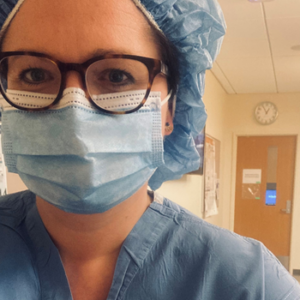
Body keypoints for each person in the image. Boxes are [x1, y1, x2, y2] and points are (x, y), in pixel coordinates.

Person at [0, 0, 299, 299]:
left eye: (117, 76)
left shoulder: (249, 282)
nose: (74, 113)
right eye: (34, 75)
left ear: (170, 110)